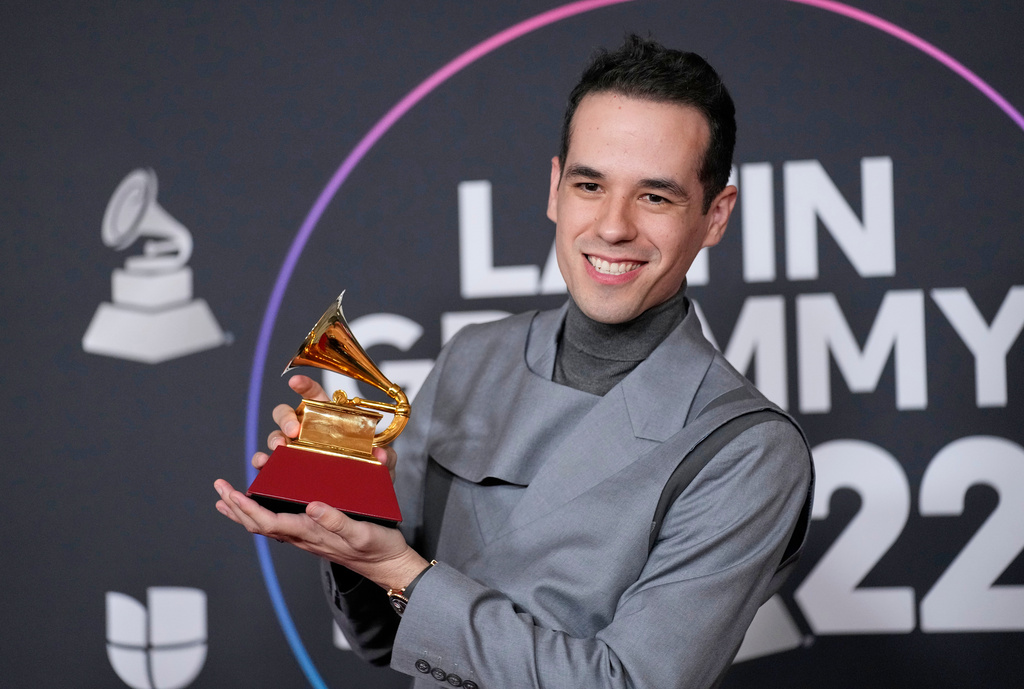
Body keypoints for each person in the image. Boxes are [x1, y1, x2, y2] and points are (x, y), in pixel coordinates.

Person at [215, 34, 813, 689]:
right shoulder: (473, 359)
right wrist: (349, 520)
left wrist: (400, 570)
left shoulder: (748, 449)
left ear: (716, 215)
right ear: (556, 189)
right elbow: (384, 639)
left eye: (656, 197)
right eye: (591, 184)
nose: (613, 226)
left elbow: (626, 683)